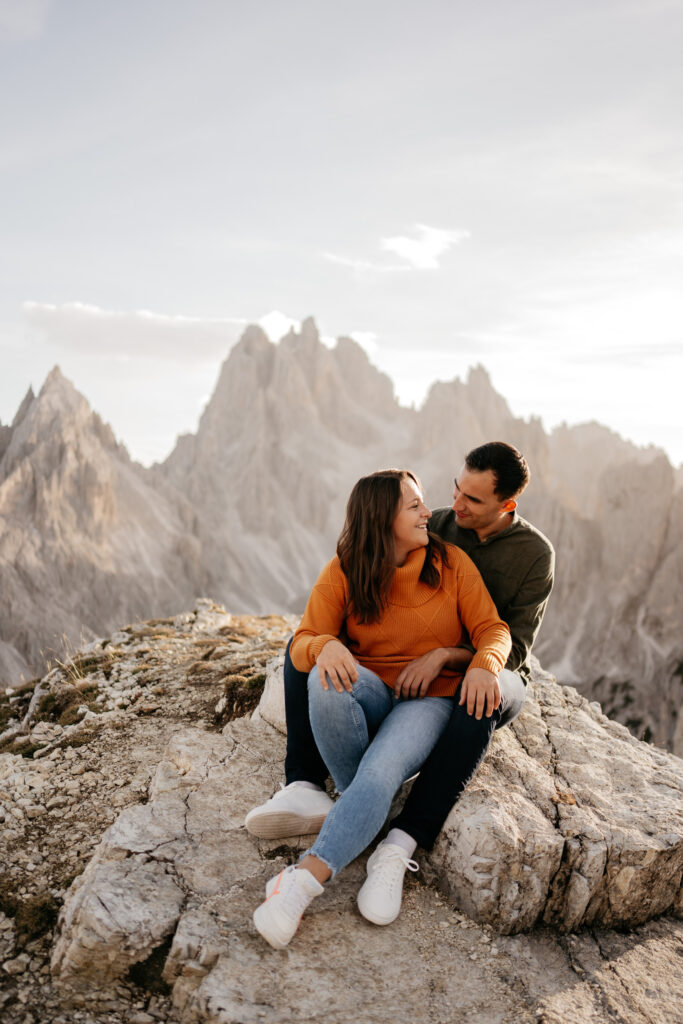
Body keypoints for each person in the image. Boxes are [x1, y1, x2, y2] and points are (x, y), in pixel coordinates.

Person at [246, 442, 555, 926]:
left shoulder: (454, 560)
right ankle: (338, 796)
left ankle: (301, 881)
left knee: (383, 769)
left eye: (468, 500)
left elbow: (498, 632)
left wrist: (476, 663)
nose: (437, 511)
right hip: (373, 688)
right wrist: (326, 645)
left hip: (432, 696)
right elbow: (305, 637)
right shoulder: (348, 566)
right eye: (419, 505)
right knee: (326, 679)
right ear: (383, 519)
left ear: (504, 505)